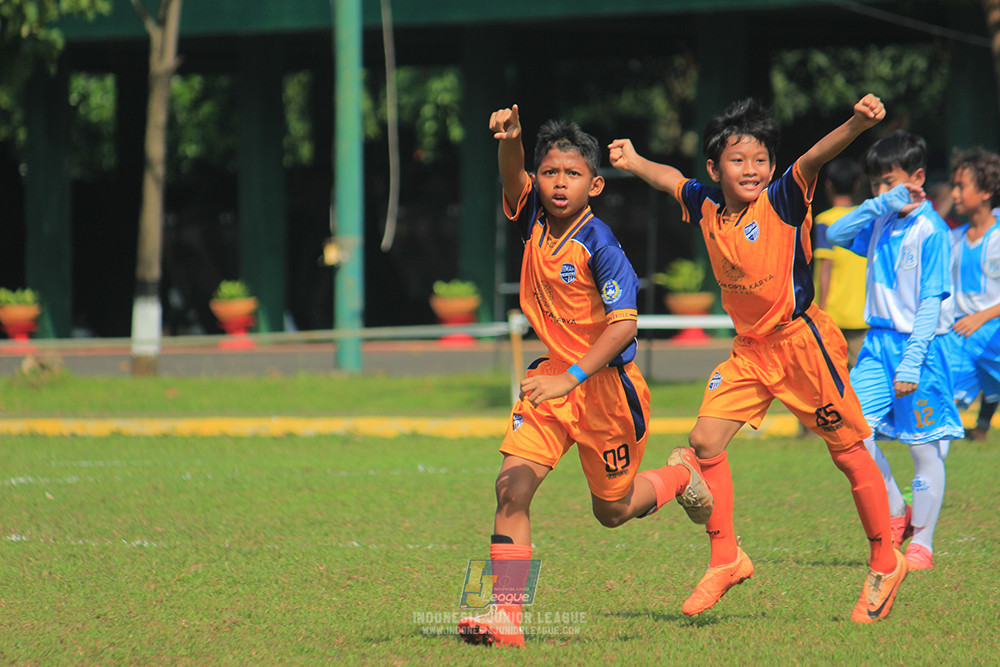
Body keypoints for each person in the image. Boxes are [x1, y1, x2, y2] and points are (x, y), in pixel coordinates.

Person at [609, 94, 906, 624]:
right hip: (750, 351)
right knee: (703, 441)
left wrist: (857, 124)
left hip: (802, 344)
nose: (752, 169)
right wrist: (633, 162)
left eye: (761, 160)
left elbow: (814, 156)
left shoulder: (784, 198)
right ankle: (726, 557)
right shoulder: (703, 202)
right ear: (714, 168)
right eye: (738, 160)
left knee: (849, 453)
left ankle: (886, 560)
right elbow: (669, 179)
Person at [457, 105, 715, 648]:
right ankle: (507, 619)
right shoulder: (530, 213)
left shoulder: (601, 244)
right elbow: (511, 174)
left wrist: (571, 377)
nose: (558, 183)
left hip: (606, 392)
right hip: (552, 381)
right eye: (549, 171)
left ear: (594, 185)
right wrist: (513, 138)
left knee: (613, 510)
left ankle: (680, 475)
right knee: (511, 487)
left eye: (572, 174)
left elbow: (623, 328)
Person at [827, 130, 965, 571]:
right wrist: (879, 203)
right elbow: (833, 231)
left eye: (890, 182)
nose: (881, 191)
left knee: (924, 448)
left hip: (920, 349)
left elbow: (930, 302)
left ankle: (922, 542)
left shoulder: (932, 230)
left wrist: (912, 360)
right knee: (851, 433)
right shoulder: (880, 219)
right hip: (877, 345)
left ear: (917, 177)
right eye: (875, 184)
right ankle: (895, 511)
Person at [946, 149, 1000, 443]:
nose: (954, 193)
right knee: (940, 399)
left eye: (961, 186)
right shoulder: (952, 240)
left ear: (986, 191)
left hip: (991, 331)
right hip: (961, 335)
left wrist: (980, 317)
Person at [814, 158, 868, 369]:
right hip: (862, 312)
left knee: (833, 374)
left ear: (828, 185)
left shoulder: (824, 220)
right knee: (861, 376)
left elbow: (826, 267)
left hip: (833, 312)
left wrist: (821, 310)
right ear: (857, 185)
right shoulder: (864, 218)